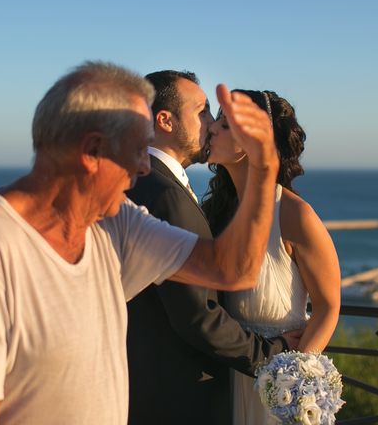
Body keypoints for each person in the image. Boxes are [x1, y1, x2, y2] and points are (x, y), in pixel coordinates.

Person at [0, 62, 280, 425]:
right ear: (92, 150)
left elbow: (232, 270)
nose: (145, 167)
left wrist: (264, 168)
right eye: (139, 149)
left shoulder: (117, 223)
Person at [126, 70, 300, 425]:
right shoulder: (165, 195)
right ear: (166, 121)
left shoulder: (153, 184)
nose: (210, 124)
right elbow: (197, 315)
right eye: (203, 112)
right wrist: (276, 353)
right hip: (179, 396)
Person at [202, 89, 341, 425]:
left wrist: (297, 379)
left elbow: (328, 306)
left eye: (224, 124)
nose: (211, 129)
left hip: (277, 385)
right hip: (226, 373)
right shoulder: (215, 212)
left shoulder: (295, 215)